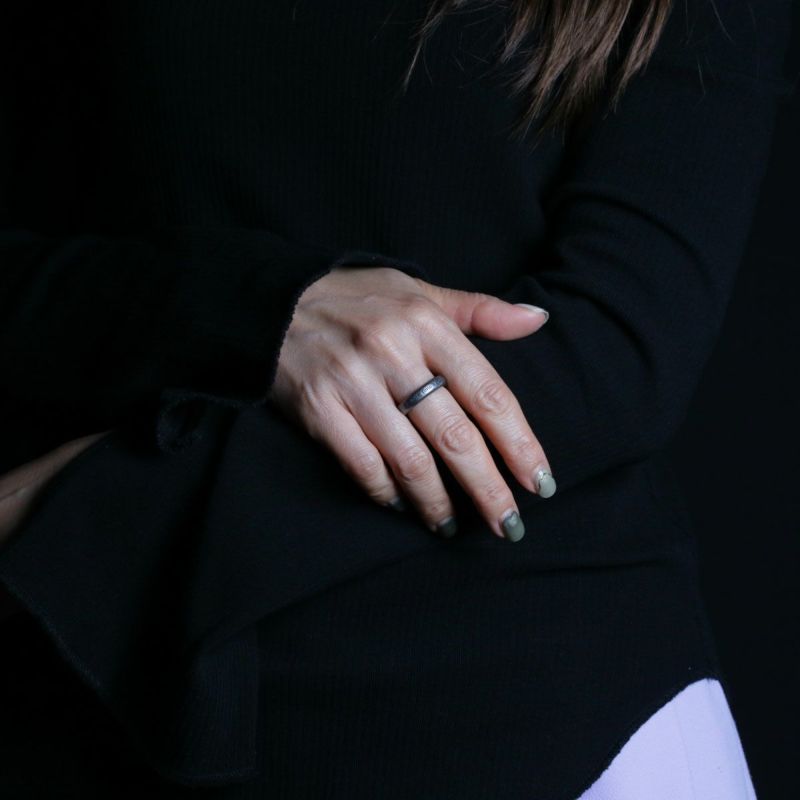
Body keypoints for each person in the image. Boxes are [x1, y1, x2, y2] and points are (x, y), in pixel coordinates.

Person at [0, 0, 791, 797]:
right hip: (93, 695)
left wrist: (96, 500)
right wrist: (264, 313)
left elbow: (614, 359)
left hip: (552, 711)